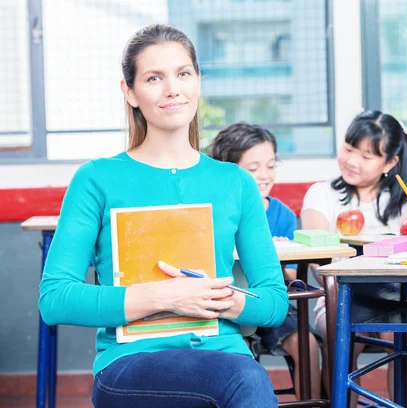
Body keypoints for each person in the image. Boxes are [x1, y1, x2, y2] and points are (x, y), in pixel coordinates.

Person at [38, 24, 288, 408]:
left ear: (198, 81)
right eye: (154, 78)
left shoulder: (235, 182)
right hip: (130, 364)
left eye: (183, 73)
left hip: (224, 355)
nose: (173, 89)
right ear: (130, 92)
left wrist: (214, 299)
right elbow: (55, 299)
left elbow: (273, 302)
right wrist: (162, 296)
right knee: (245, 379)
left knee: (242, 376)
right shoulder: (95, 179)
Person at [301, 110, 407, 408]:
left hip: (398, 299)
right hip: (339, 299)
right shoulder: (321, 195)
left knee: (405, 335)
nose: (352, 161)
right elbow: (321, 265)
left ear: (391, 162)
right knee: (340, 326)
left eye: (367, 156)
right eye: (348, 148)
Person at [208, 122, 322, 400]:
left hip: (268, 302)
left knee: (307, 344)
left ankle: (312, 402)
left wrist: (277, 257)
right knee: (233, 354)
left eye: (271, 166)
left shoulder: (281, 214)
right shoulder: (212, 210)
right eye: (253, 168)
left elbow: (293, 274)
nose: (264, 175)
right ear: (229, 169)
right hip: (222, 302)